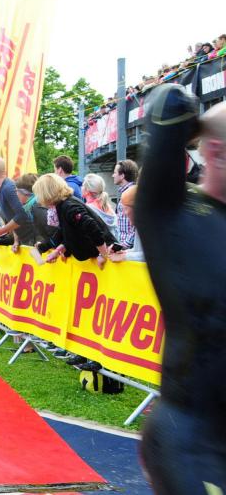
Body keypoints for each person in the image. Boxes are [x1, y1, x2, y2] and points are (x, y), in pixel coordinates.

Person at [135, 84, 226, 493]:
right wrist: (196, 121)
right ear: (216, 153)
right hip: (191, 438)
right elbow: (166, 105)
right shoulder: (173, 211)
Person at [32, 174, 117, 264]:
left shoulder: (69, 206)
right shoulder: (63, 205)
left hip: (108, 255)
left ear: (47, 194)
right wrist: (59, 250)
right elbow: (72, 232)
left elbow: (91, 227)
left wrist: (103, 255)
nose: (39, 199)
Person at [0, 157, 33, 252]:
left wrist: (2, 230)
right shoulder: (4, 188)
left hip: (32, 239)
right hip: (25, 239)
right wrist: (16, 240)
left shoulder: (8, 188)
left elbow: (22, 215)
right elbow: (15, 217)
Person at [112, 159, 138, 249]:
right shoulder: (129, 192)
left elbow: (136, 223)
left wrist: (125, 245)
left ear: (122, 175)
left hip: (129, 249)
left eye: (115, 172)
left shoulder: (131, 194)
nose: (113, 175)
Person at [82, 173, 117, 238]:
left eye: (83, 185)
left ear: (87, 190)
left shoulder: (88, 209)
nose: (81, 188)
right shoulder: (107, 206)